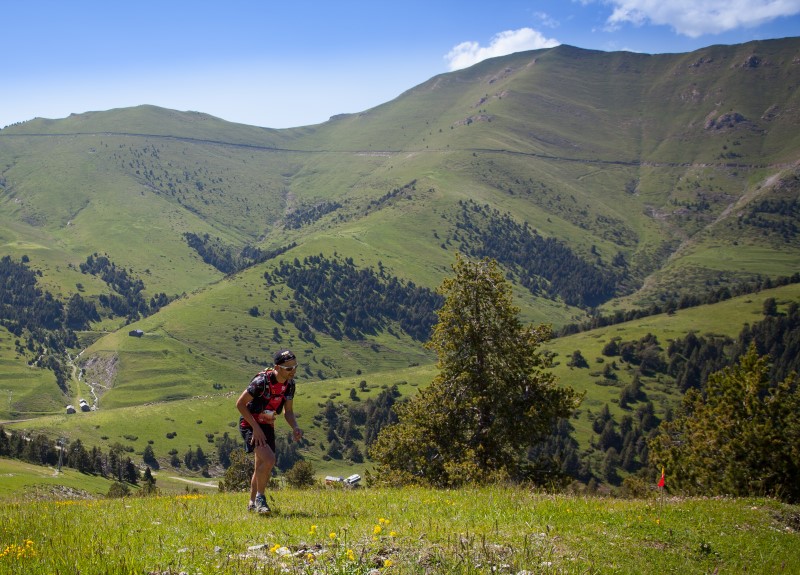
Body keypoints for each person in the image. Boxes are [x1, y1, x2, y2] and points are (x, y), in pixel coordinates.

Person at [236, 348, 303, 513]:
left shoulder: (289, 385)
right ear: (277, 367)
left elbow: (288, 411)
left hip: (267, 425)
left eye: (295, 367)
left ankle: (252, 503)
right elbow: (240, 404)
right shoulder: (261, 382)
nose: (293, 371)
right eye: (289, 368)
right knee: (269, 459)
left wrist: (295, 426)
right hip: (250, 424)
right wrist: (256, 428)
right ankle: (260, 499)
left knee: (261, 464)